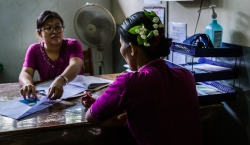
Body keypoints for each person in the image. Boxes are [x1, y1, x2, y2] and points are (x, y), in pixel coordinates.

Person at [86, 10, 202, 144]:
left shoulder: (130, 83)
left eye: (121, 44)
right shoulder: (186, 75)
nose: (121, 50)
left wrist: (126, 121)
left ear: (133, 48)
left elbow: (91, 116)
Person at [19, 10, 84, 100]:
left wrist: (61, 80)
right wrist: (27, 84)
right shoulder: (34, 50)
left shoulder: (72, 45)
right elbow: (25, 72)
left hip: (77, 95)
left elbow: (76, 65)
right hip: (50, 98)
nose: (55, 32)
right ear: (39, 33)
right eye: (49, 28)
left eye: (58, 27)